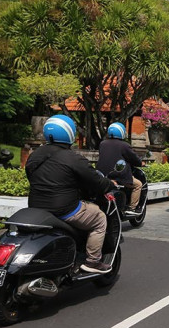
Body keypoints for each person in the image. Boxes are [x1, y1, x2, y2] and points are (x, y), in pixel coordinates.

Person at [26, 115, 115, 274]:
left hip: (36, 208)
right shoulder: (73, 158)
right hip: (65, 209)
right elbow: (96, 181)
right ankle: (93, 262)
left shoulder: (35, 155)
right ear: (69, 133)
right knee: (99, 219)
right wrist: (109, 184)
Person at [97, 122, 143, 213]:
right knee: (138, 185)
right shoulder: (124, 145)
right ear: (122, 132)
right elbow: (134, 158)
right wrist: (141, 163)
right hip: (118, 175)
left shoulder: (102, 143)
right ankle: (132, 208)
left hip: (103, 175)